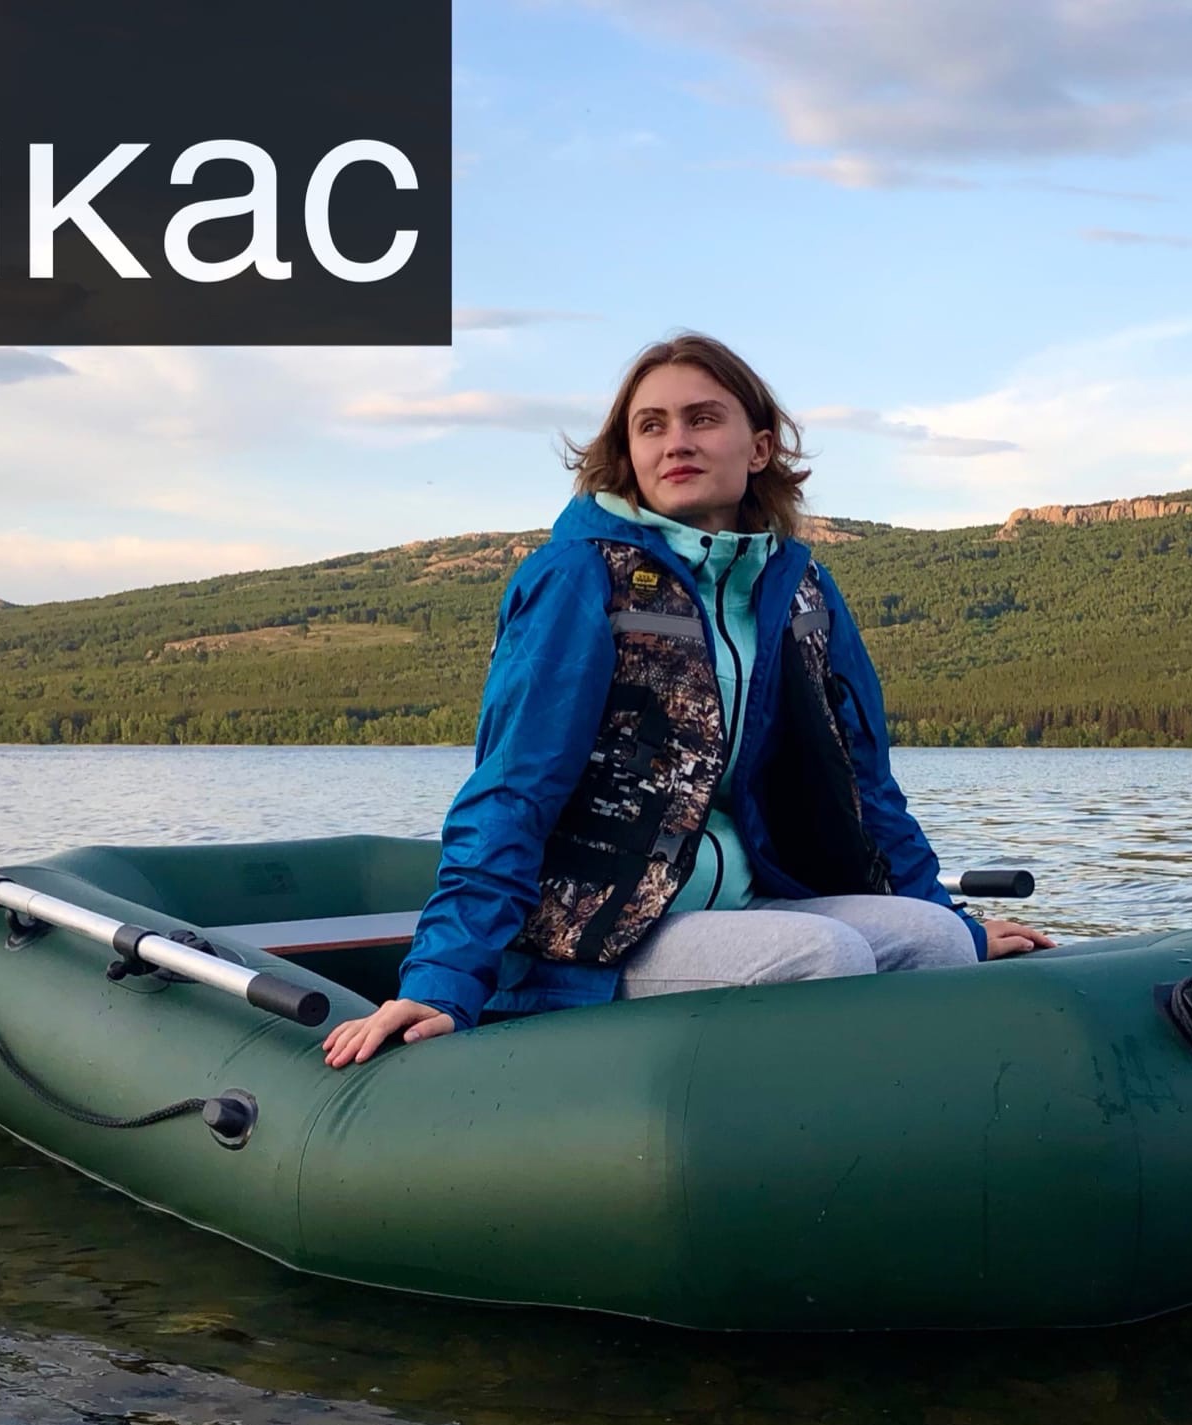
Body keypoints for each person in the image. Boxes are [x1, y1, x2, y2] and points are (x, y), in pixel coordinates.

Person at [325, 333, 1051, 1067]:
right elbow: (511, 789)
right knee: (821, 955)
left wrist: (952, 916)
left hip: (743, 904)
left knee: (935, 940)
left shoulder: (800, 590)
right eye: (652, 425)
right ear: (630, 453)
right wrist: (442, 983)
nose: (677, 441)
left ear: (759, 448)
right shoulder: (580, 577)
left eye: (703, 419)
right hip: (593, 934)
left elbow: (864, 786)